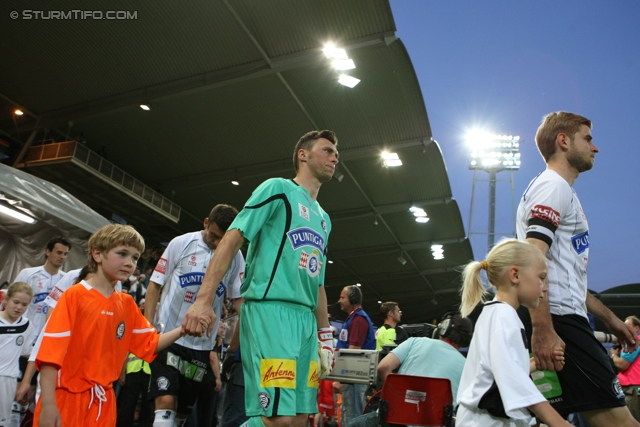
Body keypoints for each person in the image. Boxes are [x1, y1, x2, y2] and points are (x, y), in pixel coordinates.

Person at [182, 130, 339, 427]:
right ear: (302, 155)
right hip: (271, 314)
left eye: (336, 154)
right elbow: (231, 240)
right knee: (277, 419)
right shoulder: (277, 189)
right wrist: (203, 301)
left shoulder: (323, 219)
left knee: (300, 419)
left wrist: (325, 334)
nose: (334, 157)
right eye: (327, 150)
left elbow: (317, 282)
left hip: (305, 322)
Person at [516, 111, 640, 426]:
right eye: (587, 138)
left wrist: (610, 319)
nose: (594, 147)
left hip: (561, 318)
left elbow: (563, 276)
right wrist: (543, 330)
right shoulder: (552, 186)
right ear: (563, 141)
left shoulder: (559, 190)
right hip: (559, 323)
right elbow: (532, 258)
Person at [33, 224, 184, 427]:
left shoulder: (127, 304)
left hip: (104, 402)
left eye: (135, 257)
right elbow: (50, 355)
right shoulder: (74, 295)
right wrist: (49, 404)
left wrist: (182, 329)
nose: (130, 263)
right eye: (122, 254)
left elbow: (149, 343)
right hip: (67, 398)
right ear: (97, 254)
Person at [145, 204, 244, 427]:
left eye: (224, 239)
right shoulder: (181, 243)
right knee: (166, 404)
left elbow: (239, 300)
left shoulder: (236, 257)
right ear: (206, 222)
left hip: (200, 347)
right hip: (168, 337)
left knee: (182, 414)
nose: (218, 243)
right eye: (215, 235)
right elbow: (154, 285)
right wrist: (148, 326)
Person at [456, 238, 571, 427]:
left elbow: (500, 371)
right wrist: (560, 424)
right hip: (486, 421)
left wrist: (536, 362)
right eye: (541, 277)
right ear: (515, 275)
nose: (545, 286)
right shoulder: (504, 317)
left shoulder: (495, 312)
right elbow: (515, 381)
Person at [346, 314, 473, 427]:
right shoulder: (467, 366)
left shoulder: (415, 342)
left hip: (395, 420)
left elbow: (383, 367)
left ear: (443, 328)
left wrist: (397, 396)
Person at [336, 285, 375, 426]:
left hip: (354, 378)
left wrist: (340, 380)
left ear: (352, 299)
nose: (339, 301)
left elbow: (354, 351)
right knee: (349, 416)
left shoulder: (358, 319)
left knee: (353, 417)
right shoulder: (354, 318)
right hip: (352, 378)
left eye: (342, 297)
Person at [0, 282, 36, 427]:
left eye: (24, 304)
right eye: (16, 302)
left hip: (9, 381)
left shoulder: (26, 325)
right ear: (6, 299)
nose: (19, 307)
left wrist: (26, 382)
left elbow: (30, 355)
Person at [611, 316, 640, 421]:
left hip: (633, 390)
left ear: (637, 328)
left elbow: (622, 364)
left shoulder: (635, 340)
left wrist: (613, 355)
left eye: (628, 326)